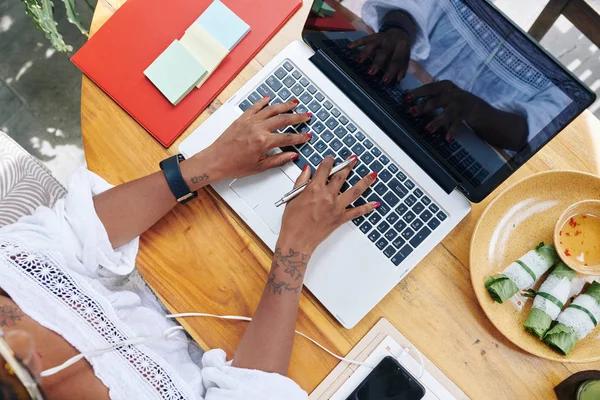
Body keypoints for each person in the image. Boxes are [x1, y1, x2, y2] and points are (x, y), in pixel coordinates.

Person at [0, 96, 380, 400]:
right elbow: (255, 392)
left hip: (183, 254)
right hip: (271, 328)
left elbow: (72, 229)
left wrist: (208, 164)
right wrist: (295, 249)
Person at [348, 0, 571, 151]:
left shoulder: (563, 73)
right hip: (392, 83)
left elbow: (537, 127)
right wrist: (398, 29)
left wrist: (472, 109)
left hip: (467, 144)